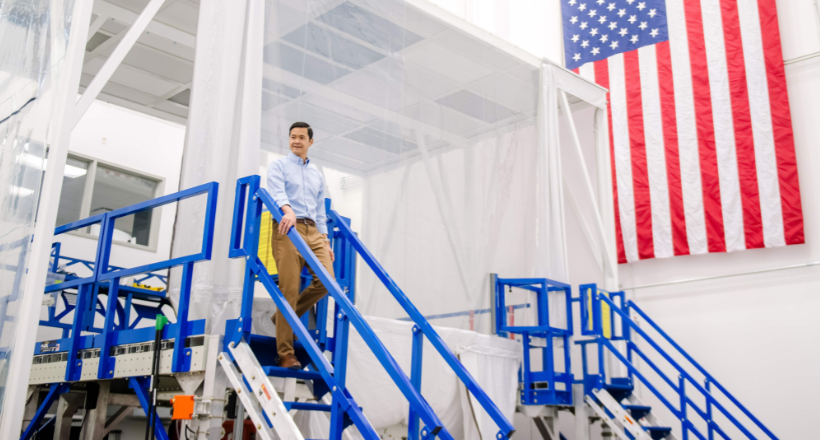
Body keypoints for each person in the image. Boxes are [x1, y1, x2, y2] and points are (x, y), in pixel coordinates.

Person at [266, 121, 335, 370]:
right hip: (288, 228)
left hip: (313, 231)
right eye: (293, 136)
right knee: (289, 288)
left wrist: (325, 239)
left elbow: (320, 209)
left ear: (310, 142)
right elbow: (276, 191)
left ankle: (283, 317)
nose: (296, 141)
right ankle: (286, 353)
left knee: (327, 281)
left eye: (301, 137)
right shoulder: (278, 166)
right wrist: (287, 210)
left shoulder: (317, 174)